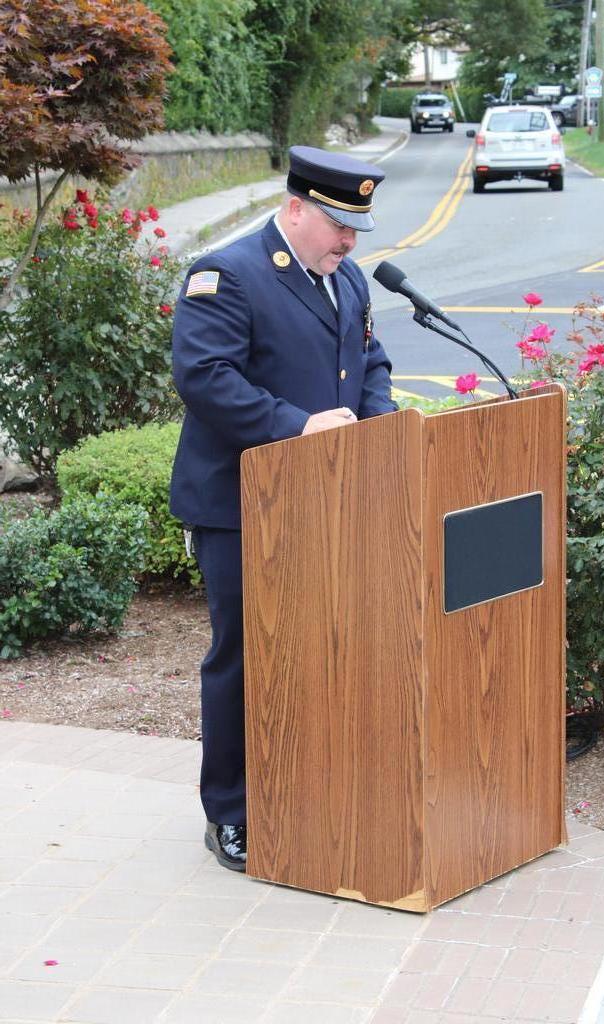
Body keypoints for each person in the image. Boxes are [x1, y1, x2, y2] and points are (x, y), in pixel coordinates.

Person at [170, 146, 397, 871]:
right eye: (337, 224)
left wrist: (379, 421)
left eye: (355, 228)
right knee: (243, 659)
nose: (348, 241)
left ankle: (304, 790)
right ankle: (231, 812)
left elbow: (371, 362)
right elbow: (204, 377)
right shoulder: (228, 275)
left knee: (318, 651)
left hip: (326, 502)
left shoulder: (347, 279)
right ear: (295, 208)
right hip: (241, 506)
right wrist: (298, 426)